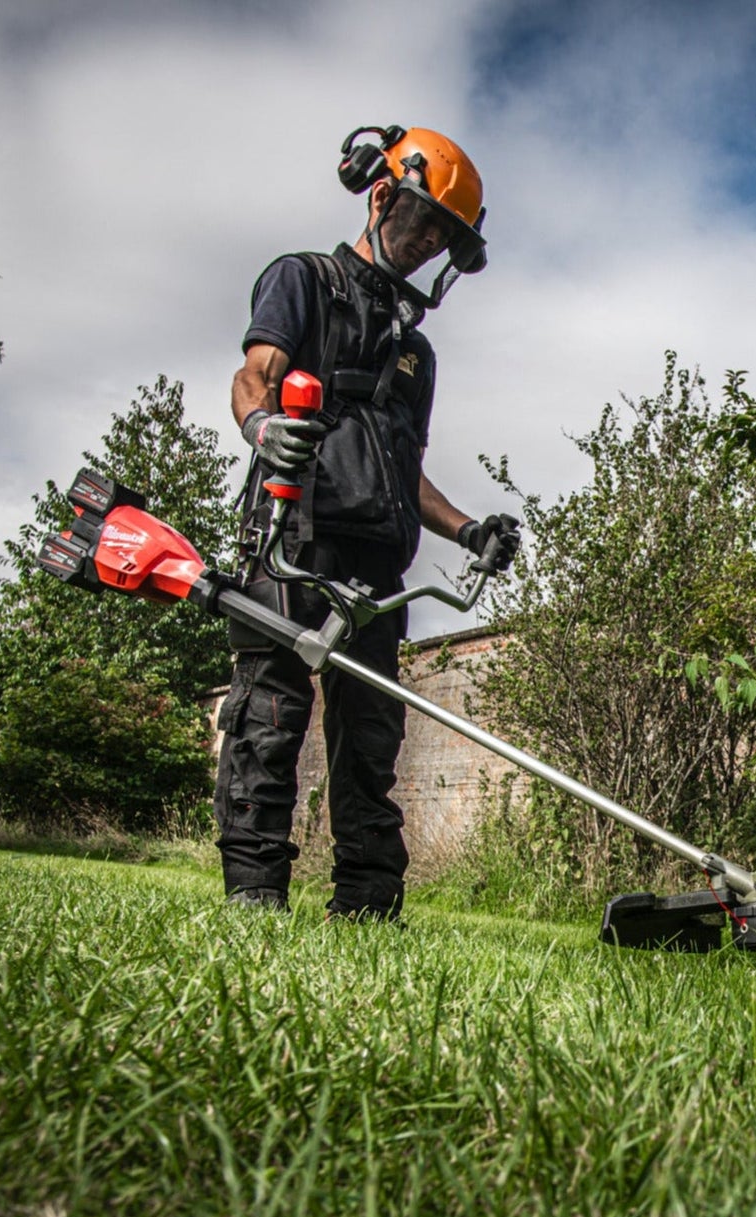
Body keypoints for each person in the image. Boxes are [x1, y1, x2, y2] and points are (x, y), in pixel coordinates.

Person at [214, 125, 520, 921]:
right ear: (382, 195)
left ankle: (368, 904)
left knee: (372, 737)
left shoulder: (416, 354)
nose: (428, 244)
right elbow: (253, 377)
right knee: (270, 717)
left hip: (378, 561)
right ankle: (255, 896)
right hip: (293, 536)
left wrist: (467, 529)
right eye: (424, 224)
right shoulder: (303, 280)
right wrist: (261, 428)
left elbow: (404, 467)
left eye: (444, 237)